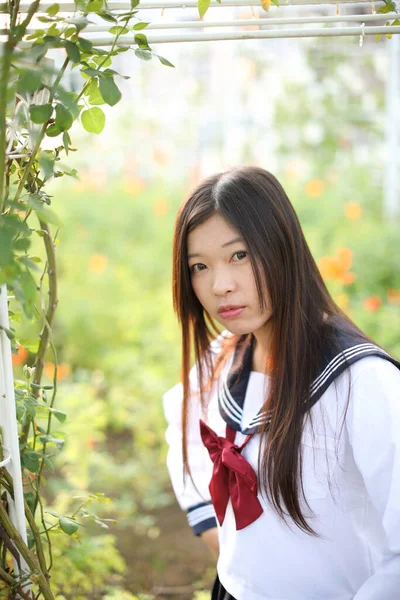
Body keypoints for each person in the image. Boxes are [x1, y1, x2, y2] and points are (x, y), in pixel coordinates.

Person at [162, 166, 400, 600]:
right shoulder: (223, 355)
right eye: (199, 266)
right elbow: (184, 430)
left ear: (282, 246)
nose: (220, 286)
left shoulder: (362, 382)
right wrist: (224, 543)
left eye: (240, 255)